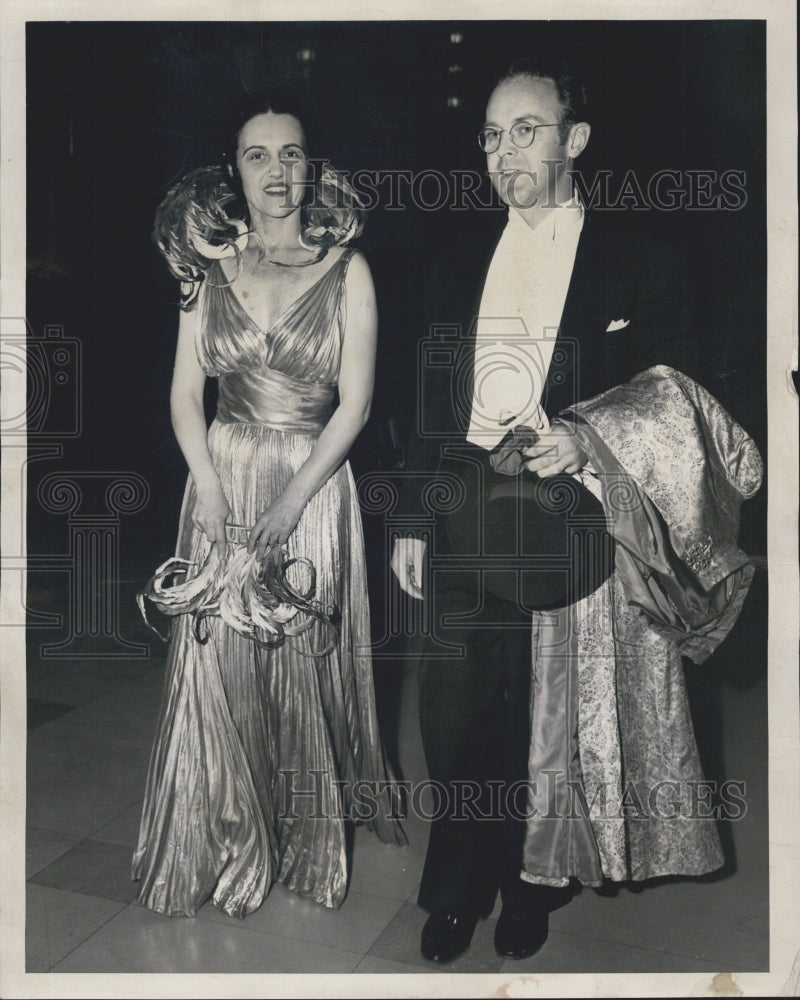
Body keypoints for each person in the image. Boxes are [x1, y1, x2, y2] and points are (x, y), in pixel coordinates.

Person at [391, 55, 755, 964]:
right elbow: (428, 401)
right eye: (489, 134)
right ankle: (456, 890)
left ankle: (531, 886)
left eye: (525, 129)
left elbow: (681, 393)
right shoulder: (451, 259)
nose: (503, 150)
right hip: (468, 499)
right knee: (456, 709)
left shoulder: (646, 260)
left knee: (544, 718)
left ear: (575, 140)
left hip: (571, 515)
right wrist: (408, 518)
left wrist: (587, 438)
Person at [133, 94, 405, 919]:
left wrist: (289, 506)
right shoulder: (203, 269)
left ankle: (303, 841)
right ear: (235, 170)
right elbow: (185, 397)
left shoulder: (349, 268)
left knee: (300, 664)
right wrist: (211, 493)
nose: (279, 170)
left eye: (293, 153)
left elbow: (354, 405)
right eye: (259, 155)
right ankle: (216, 834)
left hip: (313, 484)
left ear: (311, 165)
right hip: (218, 477)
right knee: (216, 663)